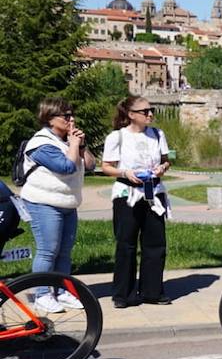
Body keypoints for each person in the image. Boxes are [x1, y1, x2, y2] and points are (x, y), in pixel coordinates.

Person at [18, 97, 91, 314]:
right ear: (50, 119)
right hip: (44, 203)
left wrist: (81, 145)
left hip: (68, 203)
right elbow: (66, 167)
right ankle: (42, 294)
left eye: (72, 114)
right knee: (48, 251)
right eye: (66, 116)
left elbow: (90, 164)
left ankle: (62, 290)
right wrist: (74, 145)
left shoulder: (67, 141)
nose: (72, 119)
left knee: (64, 253)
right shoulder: (40, 144)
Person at [100, 96, 172, 308]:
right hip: (127, 193)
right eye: (145, 111)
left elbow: (166, 160)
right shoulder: (117, 137)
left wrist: (162, 168)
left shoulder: (158, 134)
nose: (150, 114)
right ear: (131, 115)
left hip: (153, 192)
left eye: (152, 110)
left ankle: (152, 291)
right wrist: (125, 172)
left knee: (155, 243)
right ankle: (124, 293)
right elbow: (106, 166)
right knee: (126, 244)